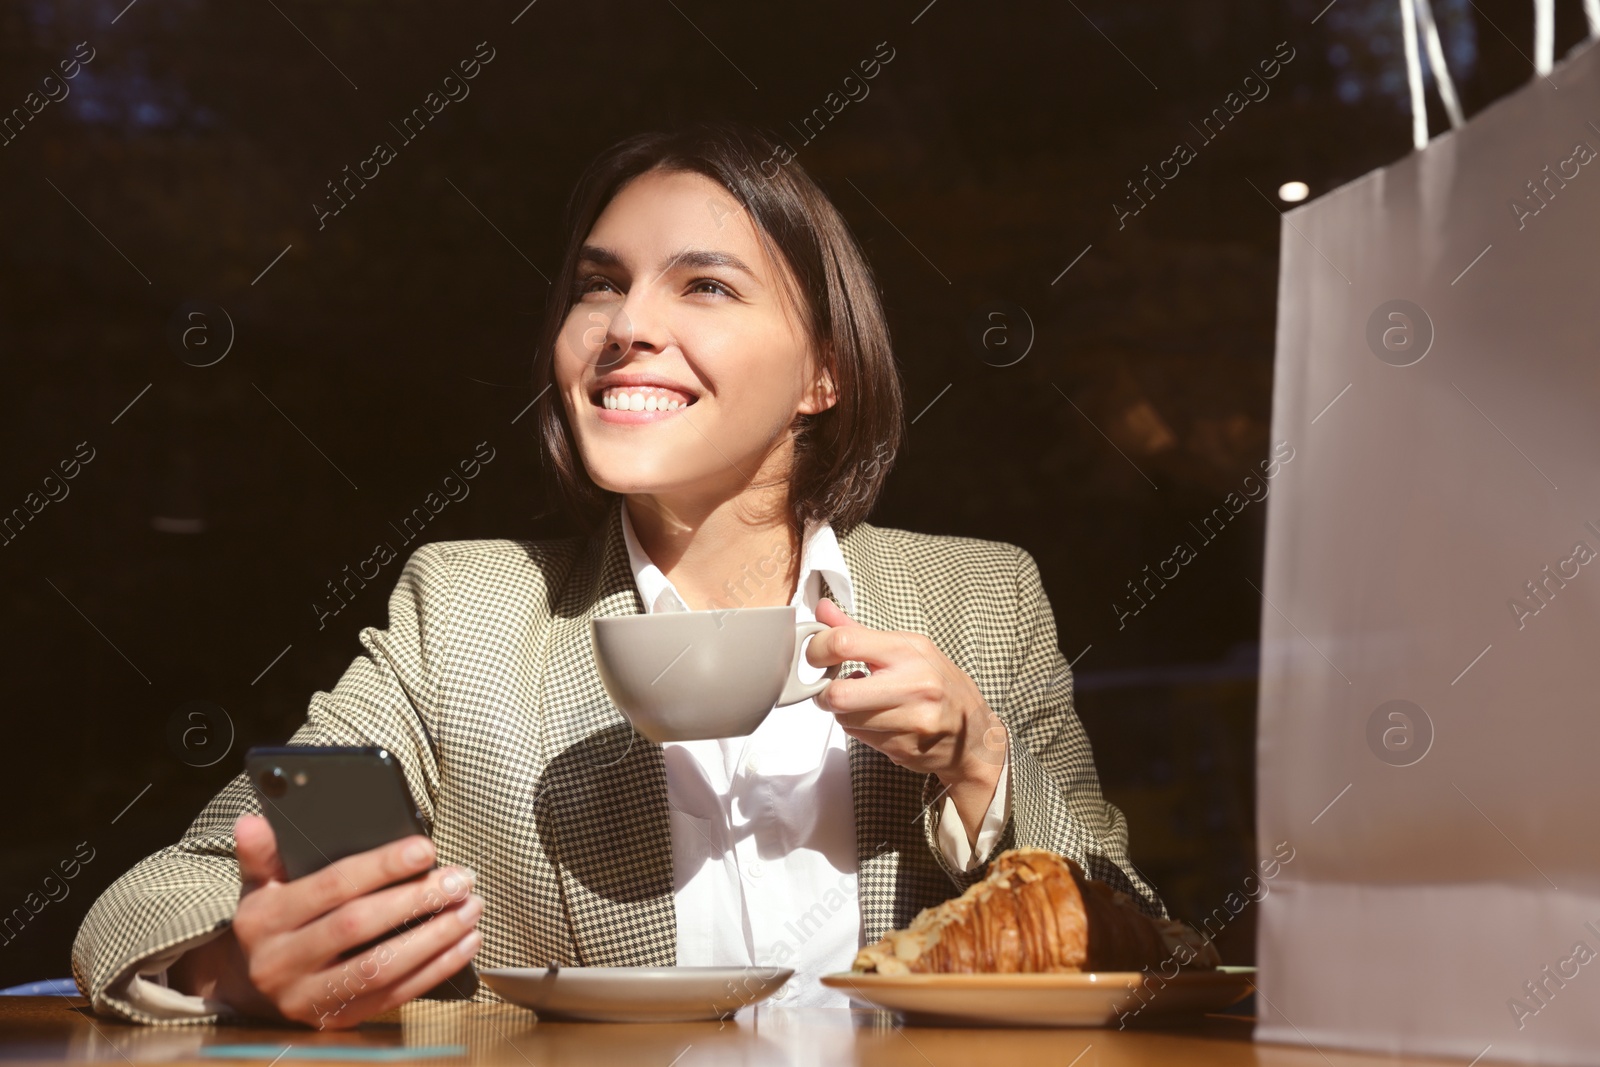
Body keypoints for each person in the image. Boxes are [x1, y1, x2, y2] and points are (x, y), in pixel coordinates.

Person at [72, 121, 1165, 1028]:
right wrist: (236, 964)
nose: (626, 326)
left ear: (823, 373)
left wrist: (984, 773)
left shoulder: (979, 599)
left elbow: (1146, 947)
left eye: (706, 286)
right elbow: (167, 892)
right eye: (599, 287)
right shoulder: (466, 613)